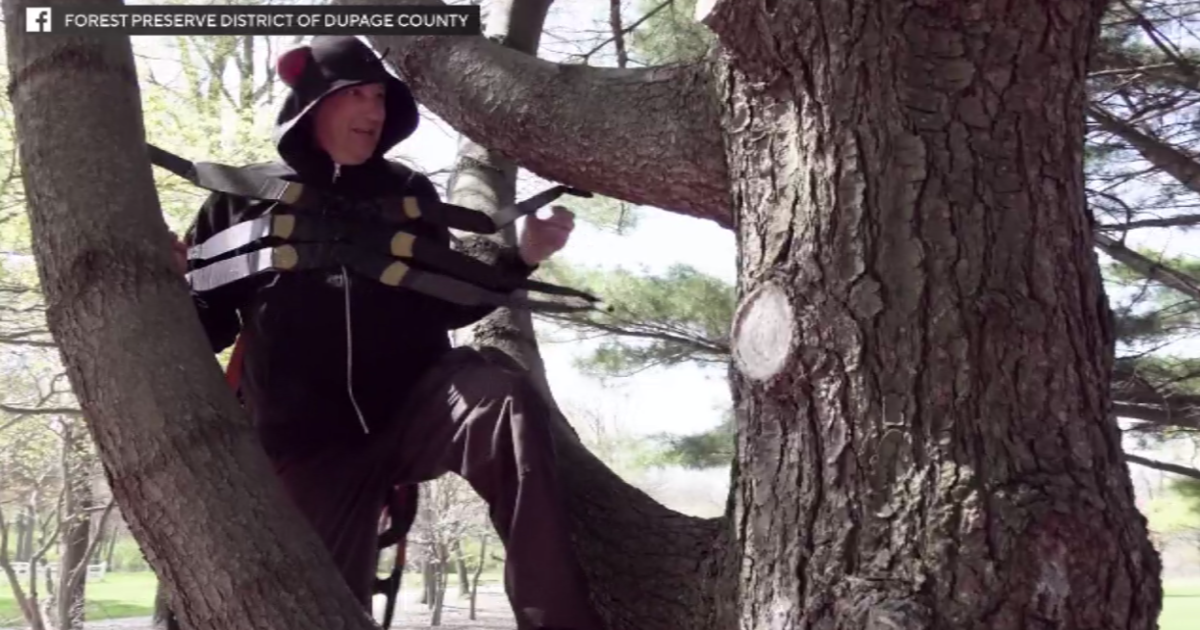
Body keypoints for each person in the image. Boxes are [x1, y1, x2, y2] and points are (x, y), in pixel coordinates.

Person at [168, 36, 604, 630]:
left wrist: (520, 257)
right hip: (309, 446)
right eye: (356, 96)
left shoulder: (408, 193)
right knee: (324, 611)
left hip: (418, 408)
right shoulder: (238, 202)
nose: (374, 112)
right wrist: (167, 288)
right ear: (313, 103)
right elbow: (206, 328)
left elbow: (444, 306)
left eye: (380, 97)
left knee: (504, 401)